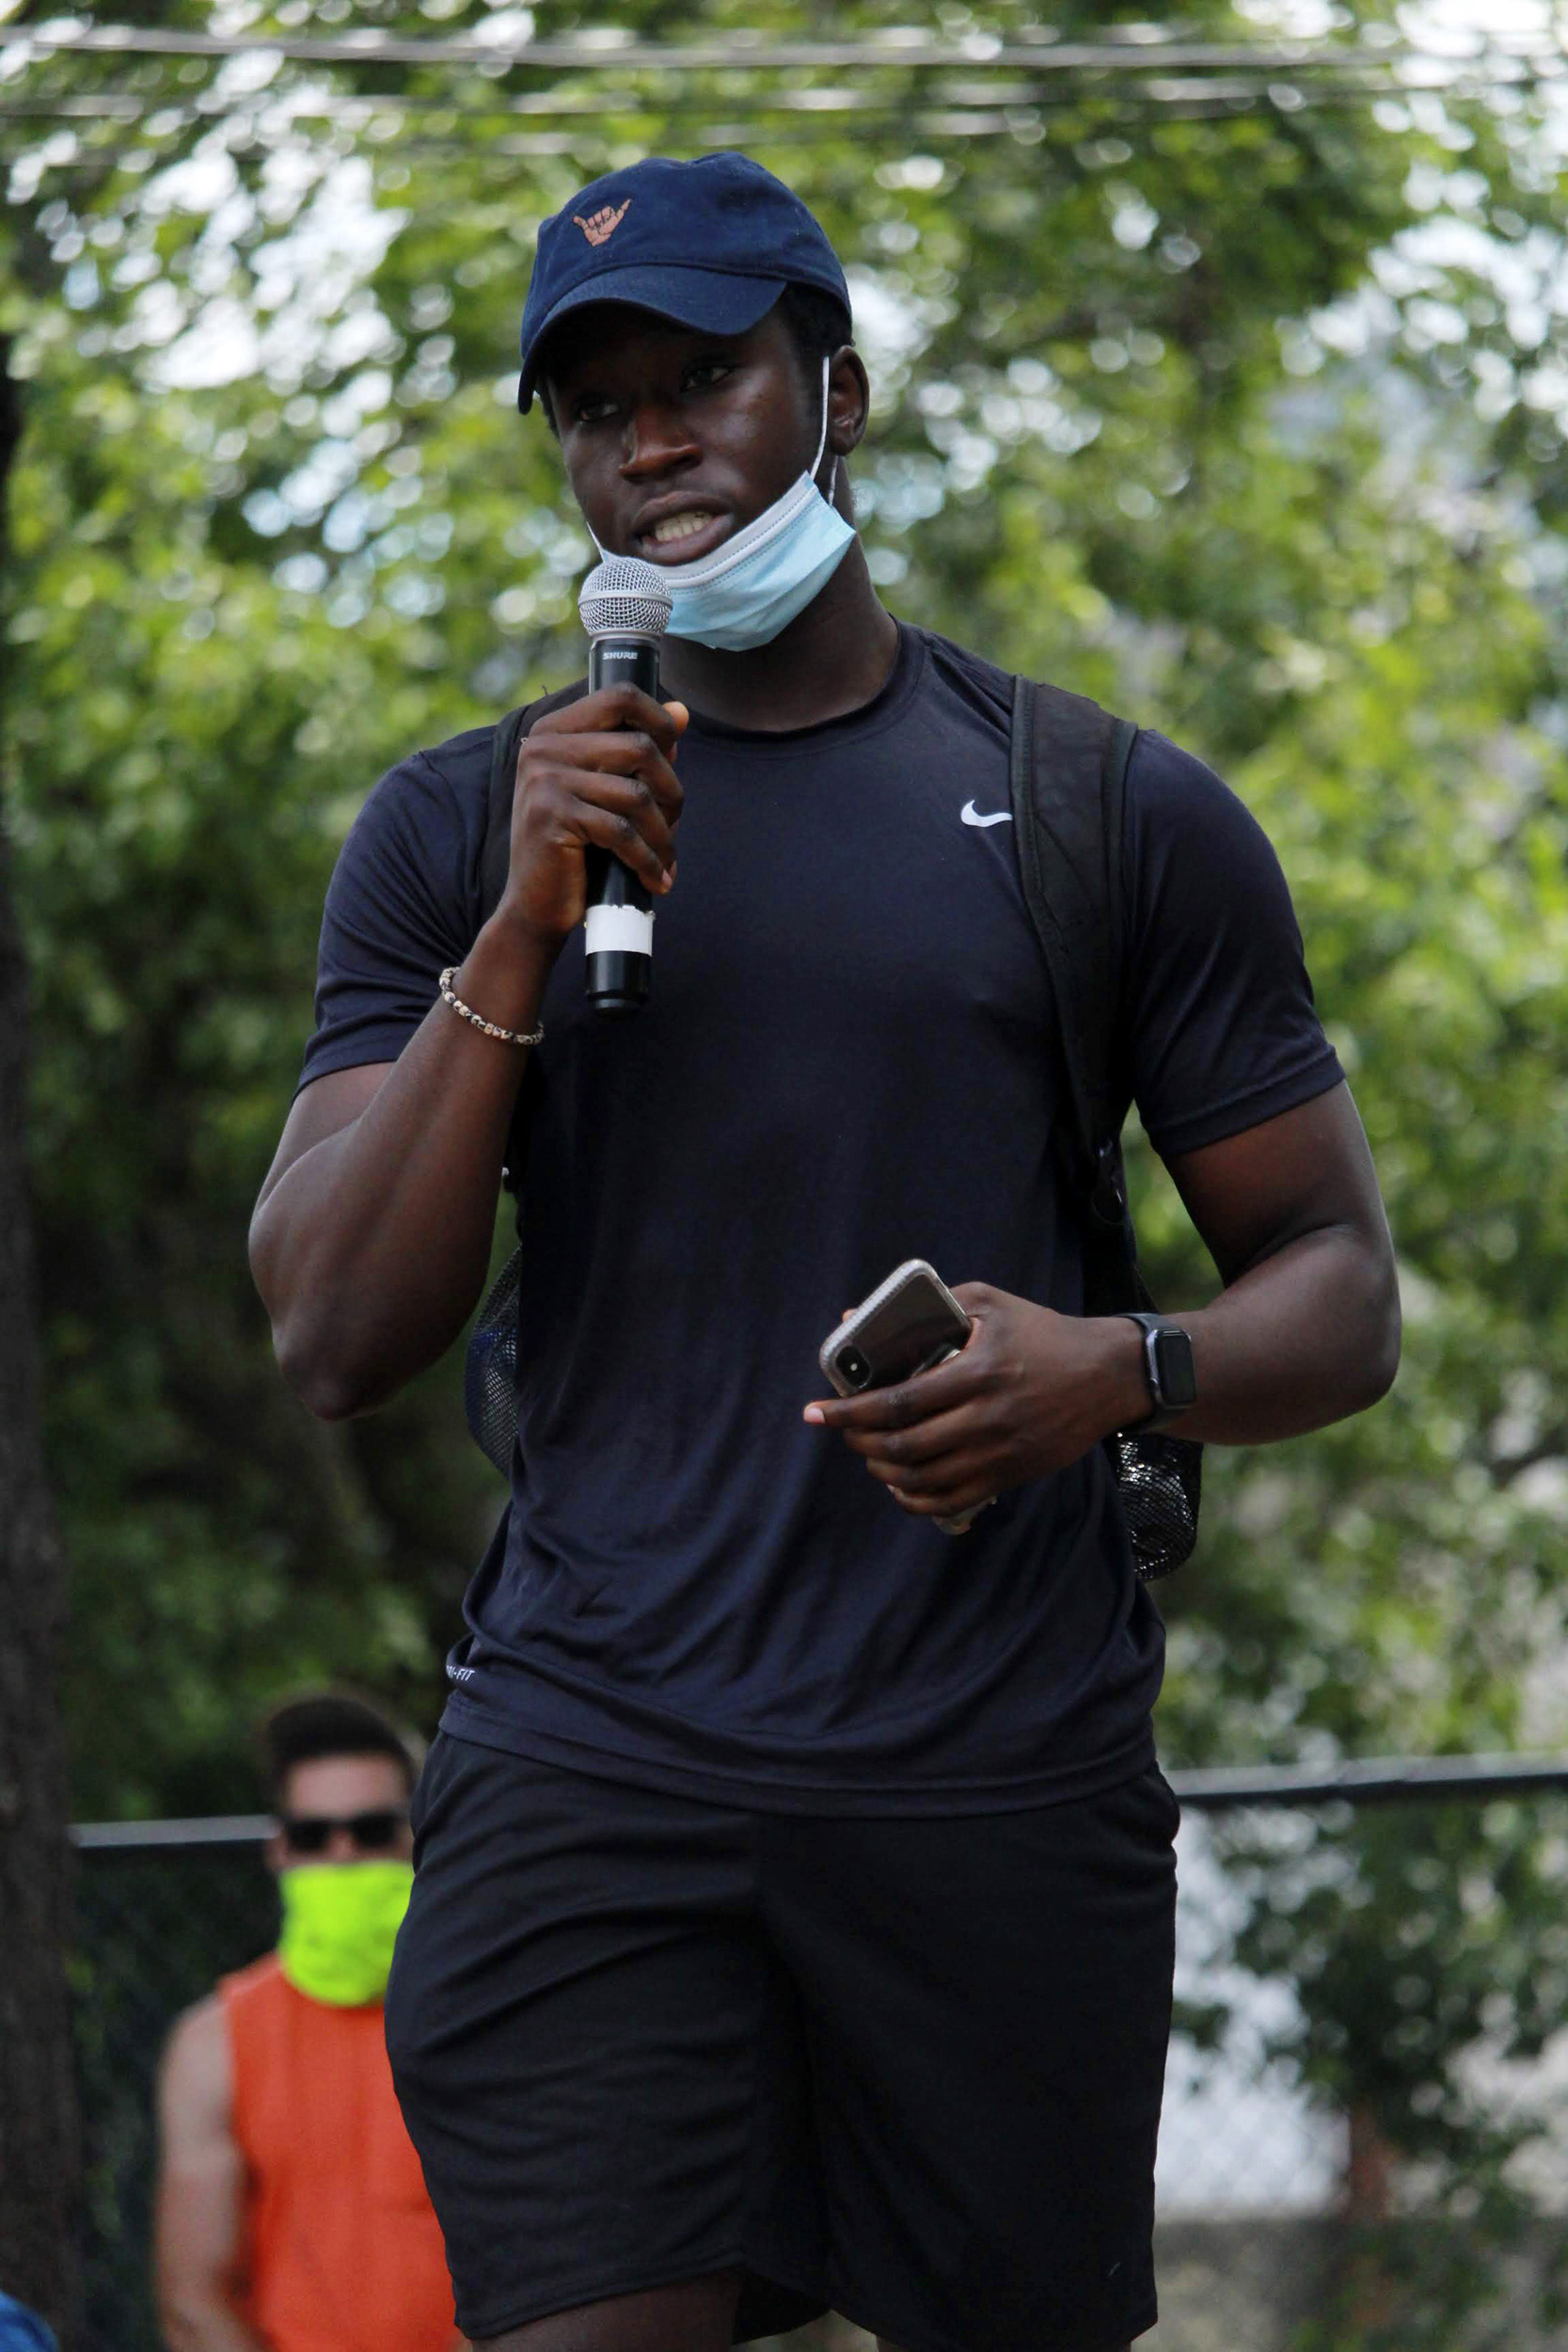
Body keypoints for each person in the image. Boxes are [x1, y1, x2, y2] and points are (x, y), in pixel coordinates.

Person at [248, 152, 1400, 2352]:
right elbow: (330, 1330)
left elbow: (1340, 1285)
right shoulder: (450, 835)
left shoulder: (1102, 814)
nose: (651, 439)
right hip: (599, 1773)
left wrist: (1110, 1371)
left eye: (706, 374)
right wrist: (519, 920)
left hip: (991, 1782)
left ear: (836, 390)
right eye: (594, 405)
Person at [153, 1691, 459, 2352]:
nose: (343, 1854)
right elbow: (192, 2300)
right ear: (281, 1851)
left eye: (373, 1830)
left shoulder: (491, 2018)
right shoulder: (215, 2043)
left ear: (417, 1839)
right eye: (314, 1835)